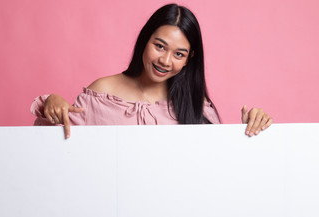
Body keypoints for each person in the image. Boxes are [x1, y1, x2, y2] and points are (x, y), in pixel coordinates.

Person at [31, 4, 272, 139]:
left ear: (189, 60)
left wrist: (248, 133)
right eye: (160, 46)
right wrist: (52, 103)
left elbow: (216, 165)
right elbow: (58, 147)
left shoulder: (196, 103)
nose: (166, 61)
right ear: (144, 41)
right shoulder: (101, 93)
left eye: (179, 54)